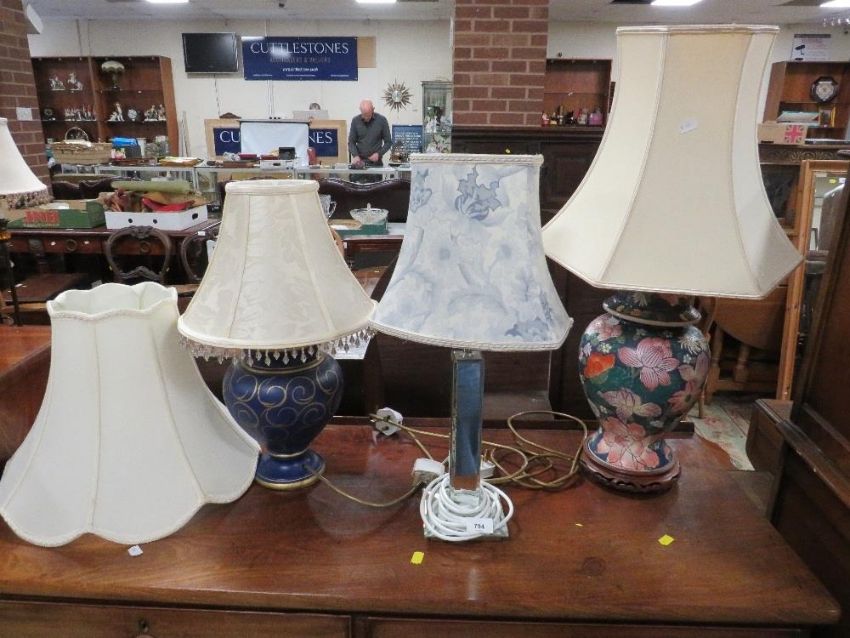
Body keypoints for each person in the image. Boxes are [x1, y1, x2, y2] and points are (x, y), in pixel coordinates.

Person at [348, 99, 392, 169]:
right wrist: (355, 155)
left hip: (376, 164)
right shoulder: (355, 121)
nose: (366, 118)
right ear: (360, 110)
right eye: (364, 115)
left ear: (373, 109)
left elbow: (388, 142)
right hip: (359, 163)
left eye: (368, 115)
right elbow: (351, 142)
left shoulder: (382, 120)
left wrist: (379, 154)